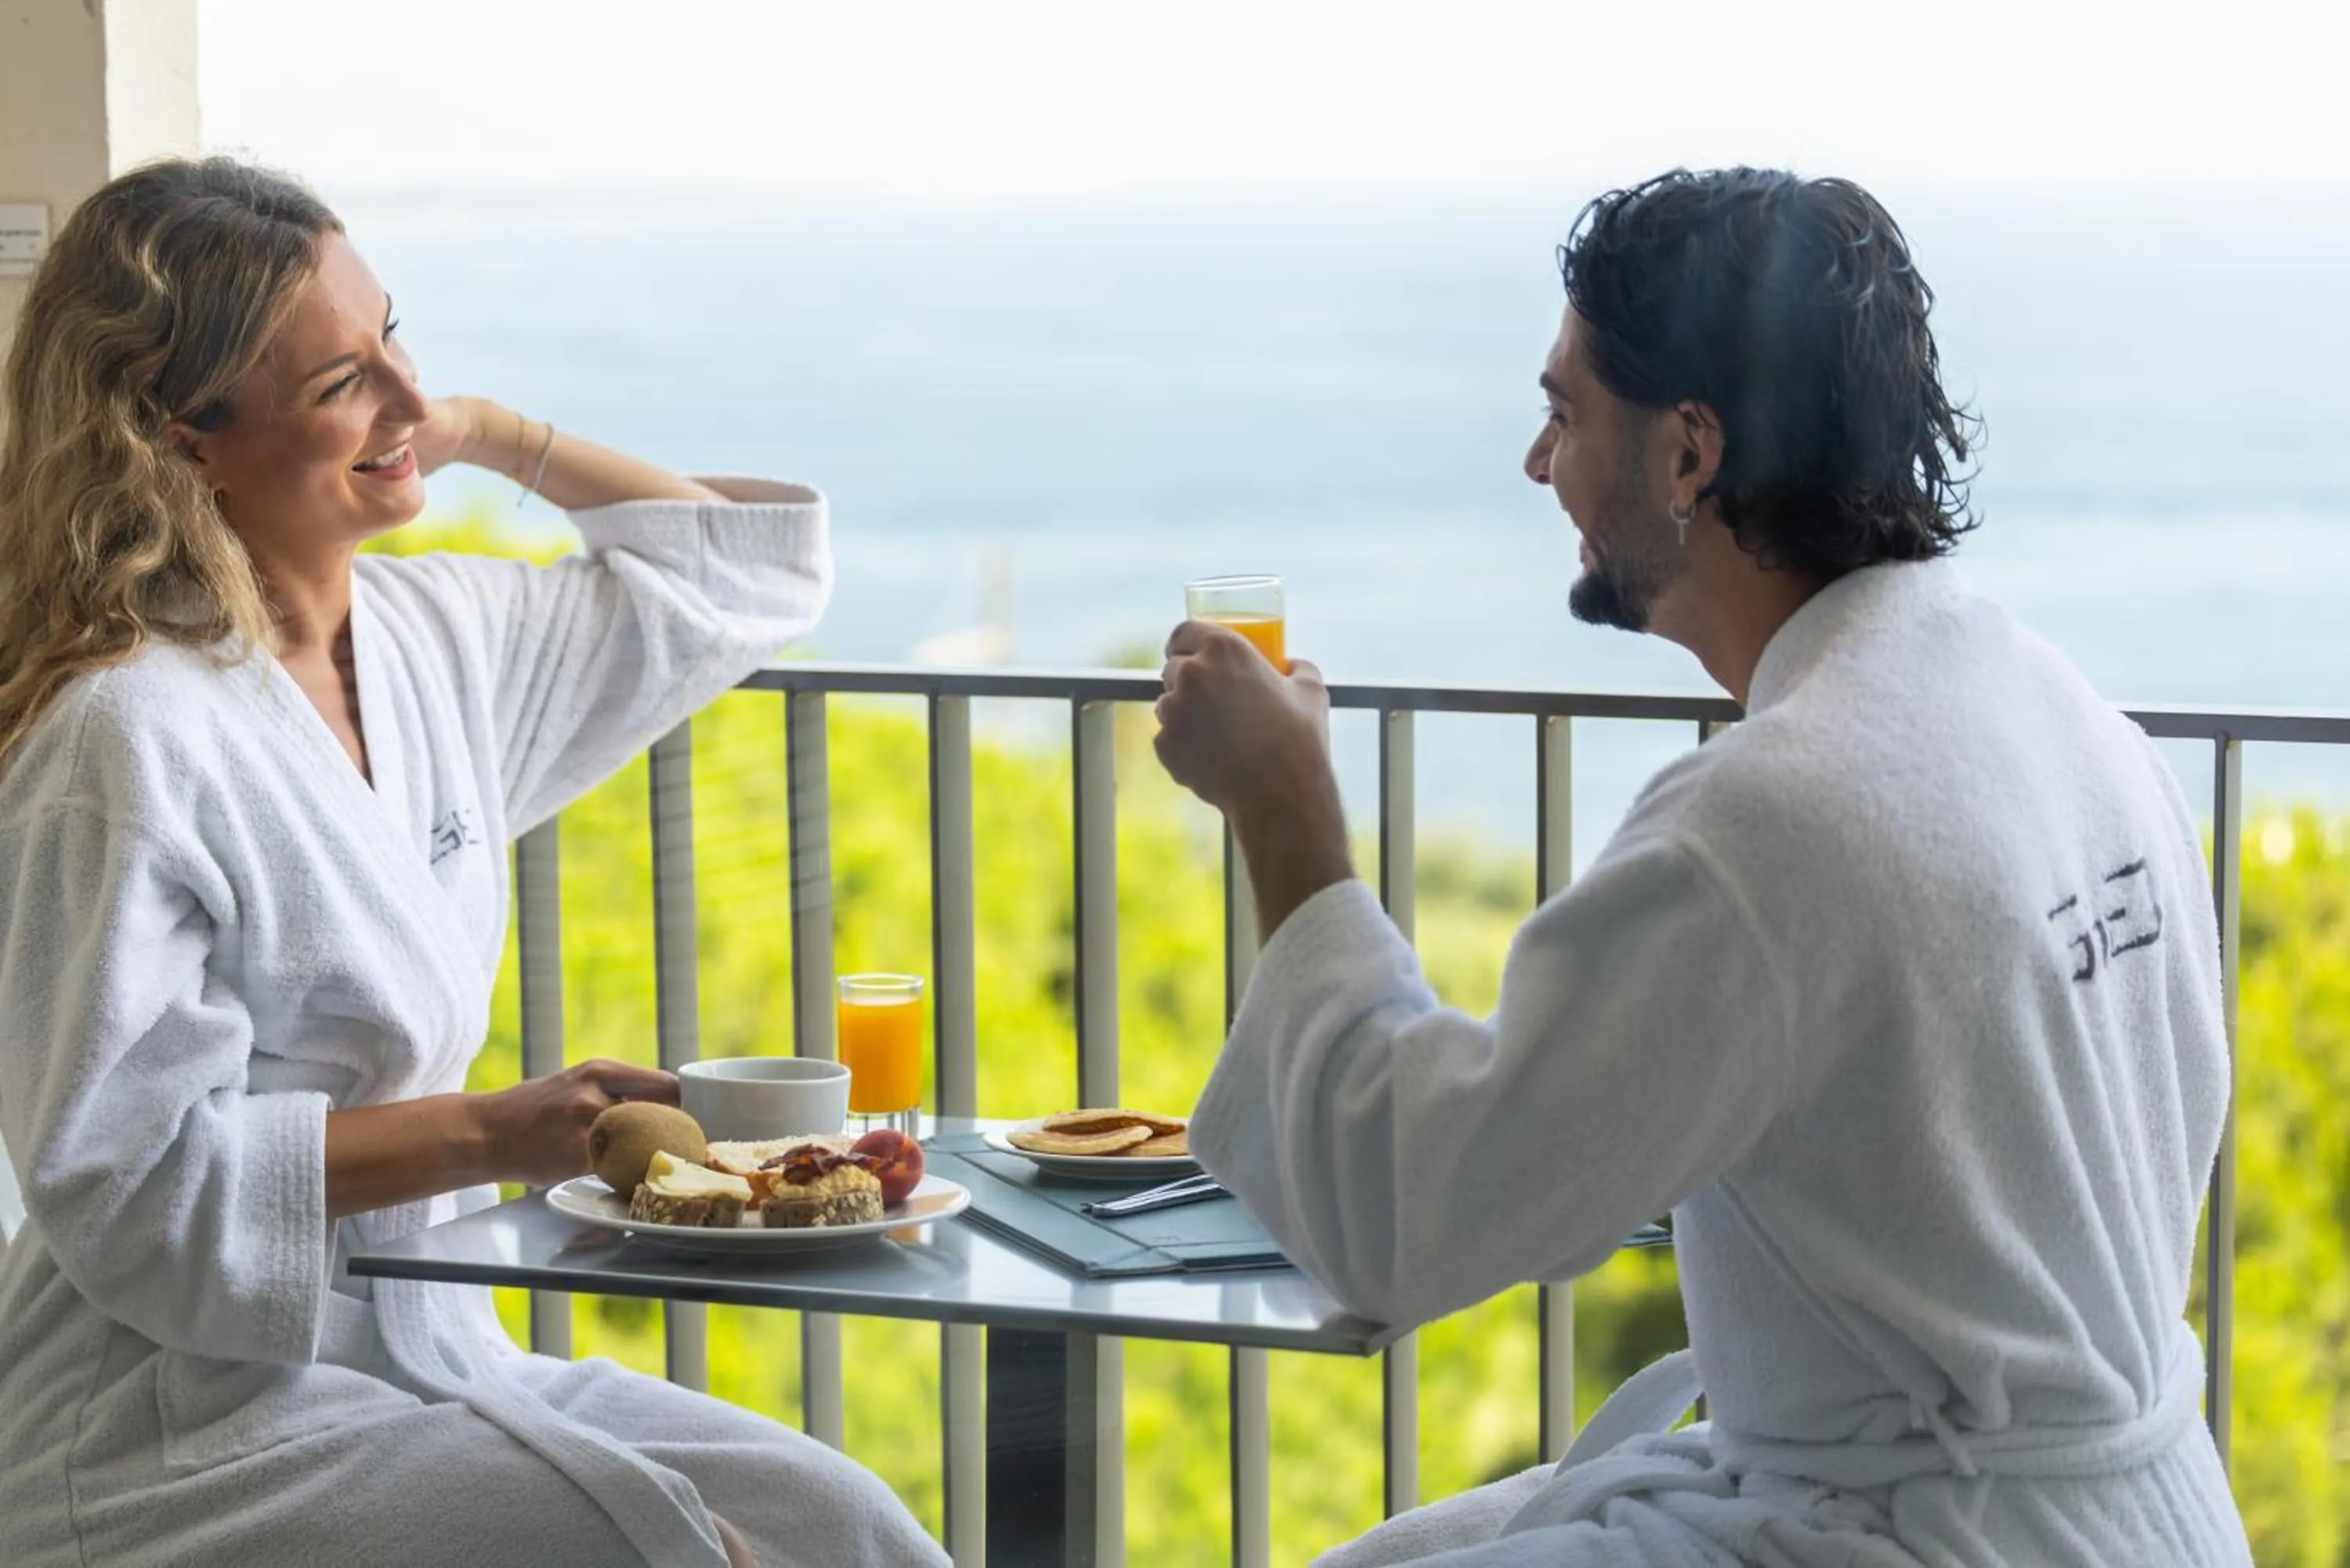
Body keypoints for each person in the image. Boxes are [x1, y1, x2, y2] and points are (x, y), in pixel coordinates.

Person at [1155, 168, 2253, 1566]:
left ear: (1687, 453)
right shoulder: (2073, 721)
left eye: (1565, 413)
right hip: (2143, 1515)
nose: (1539, 464)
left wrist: (1284, 810)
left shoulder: (1777, 824)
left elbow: (1399, 1215)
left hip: (1926, 1534)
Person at [0, 158, 946, 1568]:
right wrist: (507, 1129)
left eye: (398, 339)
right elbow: (132, 1185)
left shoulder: (435, 636)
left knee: (853, 1529)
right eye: (341, 385)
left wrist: (498, 434)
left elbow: (743, 576)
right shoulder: (127, 737)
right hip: (166, 1412)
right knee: (671, 1550)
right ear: (185, 436)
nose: (406, 402)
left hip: (435, 1345)